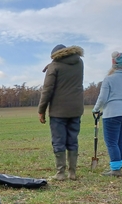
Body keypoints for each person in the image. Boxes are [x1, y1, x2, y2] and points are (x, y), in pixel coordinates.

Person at [38, 44, 84, 181]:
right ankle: (72, 172)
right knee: (73, 140)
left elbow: (47, 90)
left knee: (59, 141)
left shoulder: (54, 66)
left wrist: (41, 110)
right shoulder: (79, 62)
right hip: (76, 109)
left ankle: (60, 173)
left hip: (58, 111)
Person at [92, 51, 122, 177]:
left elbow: (102, 98)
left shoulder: (109, 79)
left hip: (113, 113)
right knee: (121, 141)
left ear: (113, 63)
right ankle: (119, 165)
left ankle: (115, 169)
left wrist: (96, 109)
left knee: (112, 142)